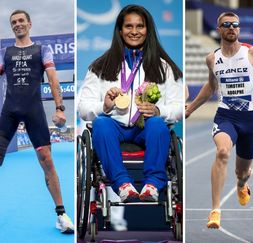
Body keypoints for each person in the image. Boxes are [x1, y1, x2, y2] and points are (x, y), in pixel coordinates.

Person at [185, 12, 253, 229]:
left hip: (250, 119)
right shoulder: (212, 59)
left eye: (235, 25)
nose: (231, 27)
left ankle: (242, 184)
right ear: (219, 29)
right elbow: (211, 87)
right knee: (222, 152)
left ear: (239, 29)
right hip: (226, 116)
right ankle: (215, 211)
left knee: (242, 172)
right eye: (226, 25)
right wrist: (191, 108)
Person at [0, 10, 74, 233]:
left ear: (29, 24)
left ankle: (61, 214)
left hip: (34, 111)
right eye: (14, 22)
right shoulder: (4, 52)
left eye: (21, 21)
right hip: (10, 111)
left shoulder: (43, 50)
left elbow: (53, 78)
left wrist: (59, 108)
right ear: (12, 27)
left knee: (46, 159)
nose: (17, 24)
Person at [78, 5, 182, 203]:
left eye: (140, 26)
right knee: (101, 123)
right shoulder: (99, 67)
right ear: (119, 30)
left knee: (158, 123)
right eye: (129, 26)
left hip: (146, 129)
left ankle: (152, 184)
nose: (134, 31)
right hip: (114, 128)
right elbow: (83, 109)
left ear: (147, 30)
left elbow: (178, 108)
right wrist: (105, 106)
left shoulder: (164, 67)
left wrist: (158, 110)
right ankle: (123, 184)